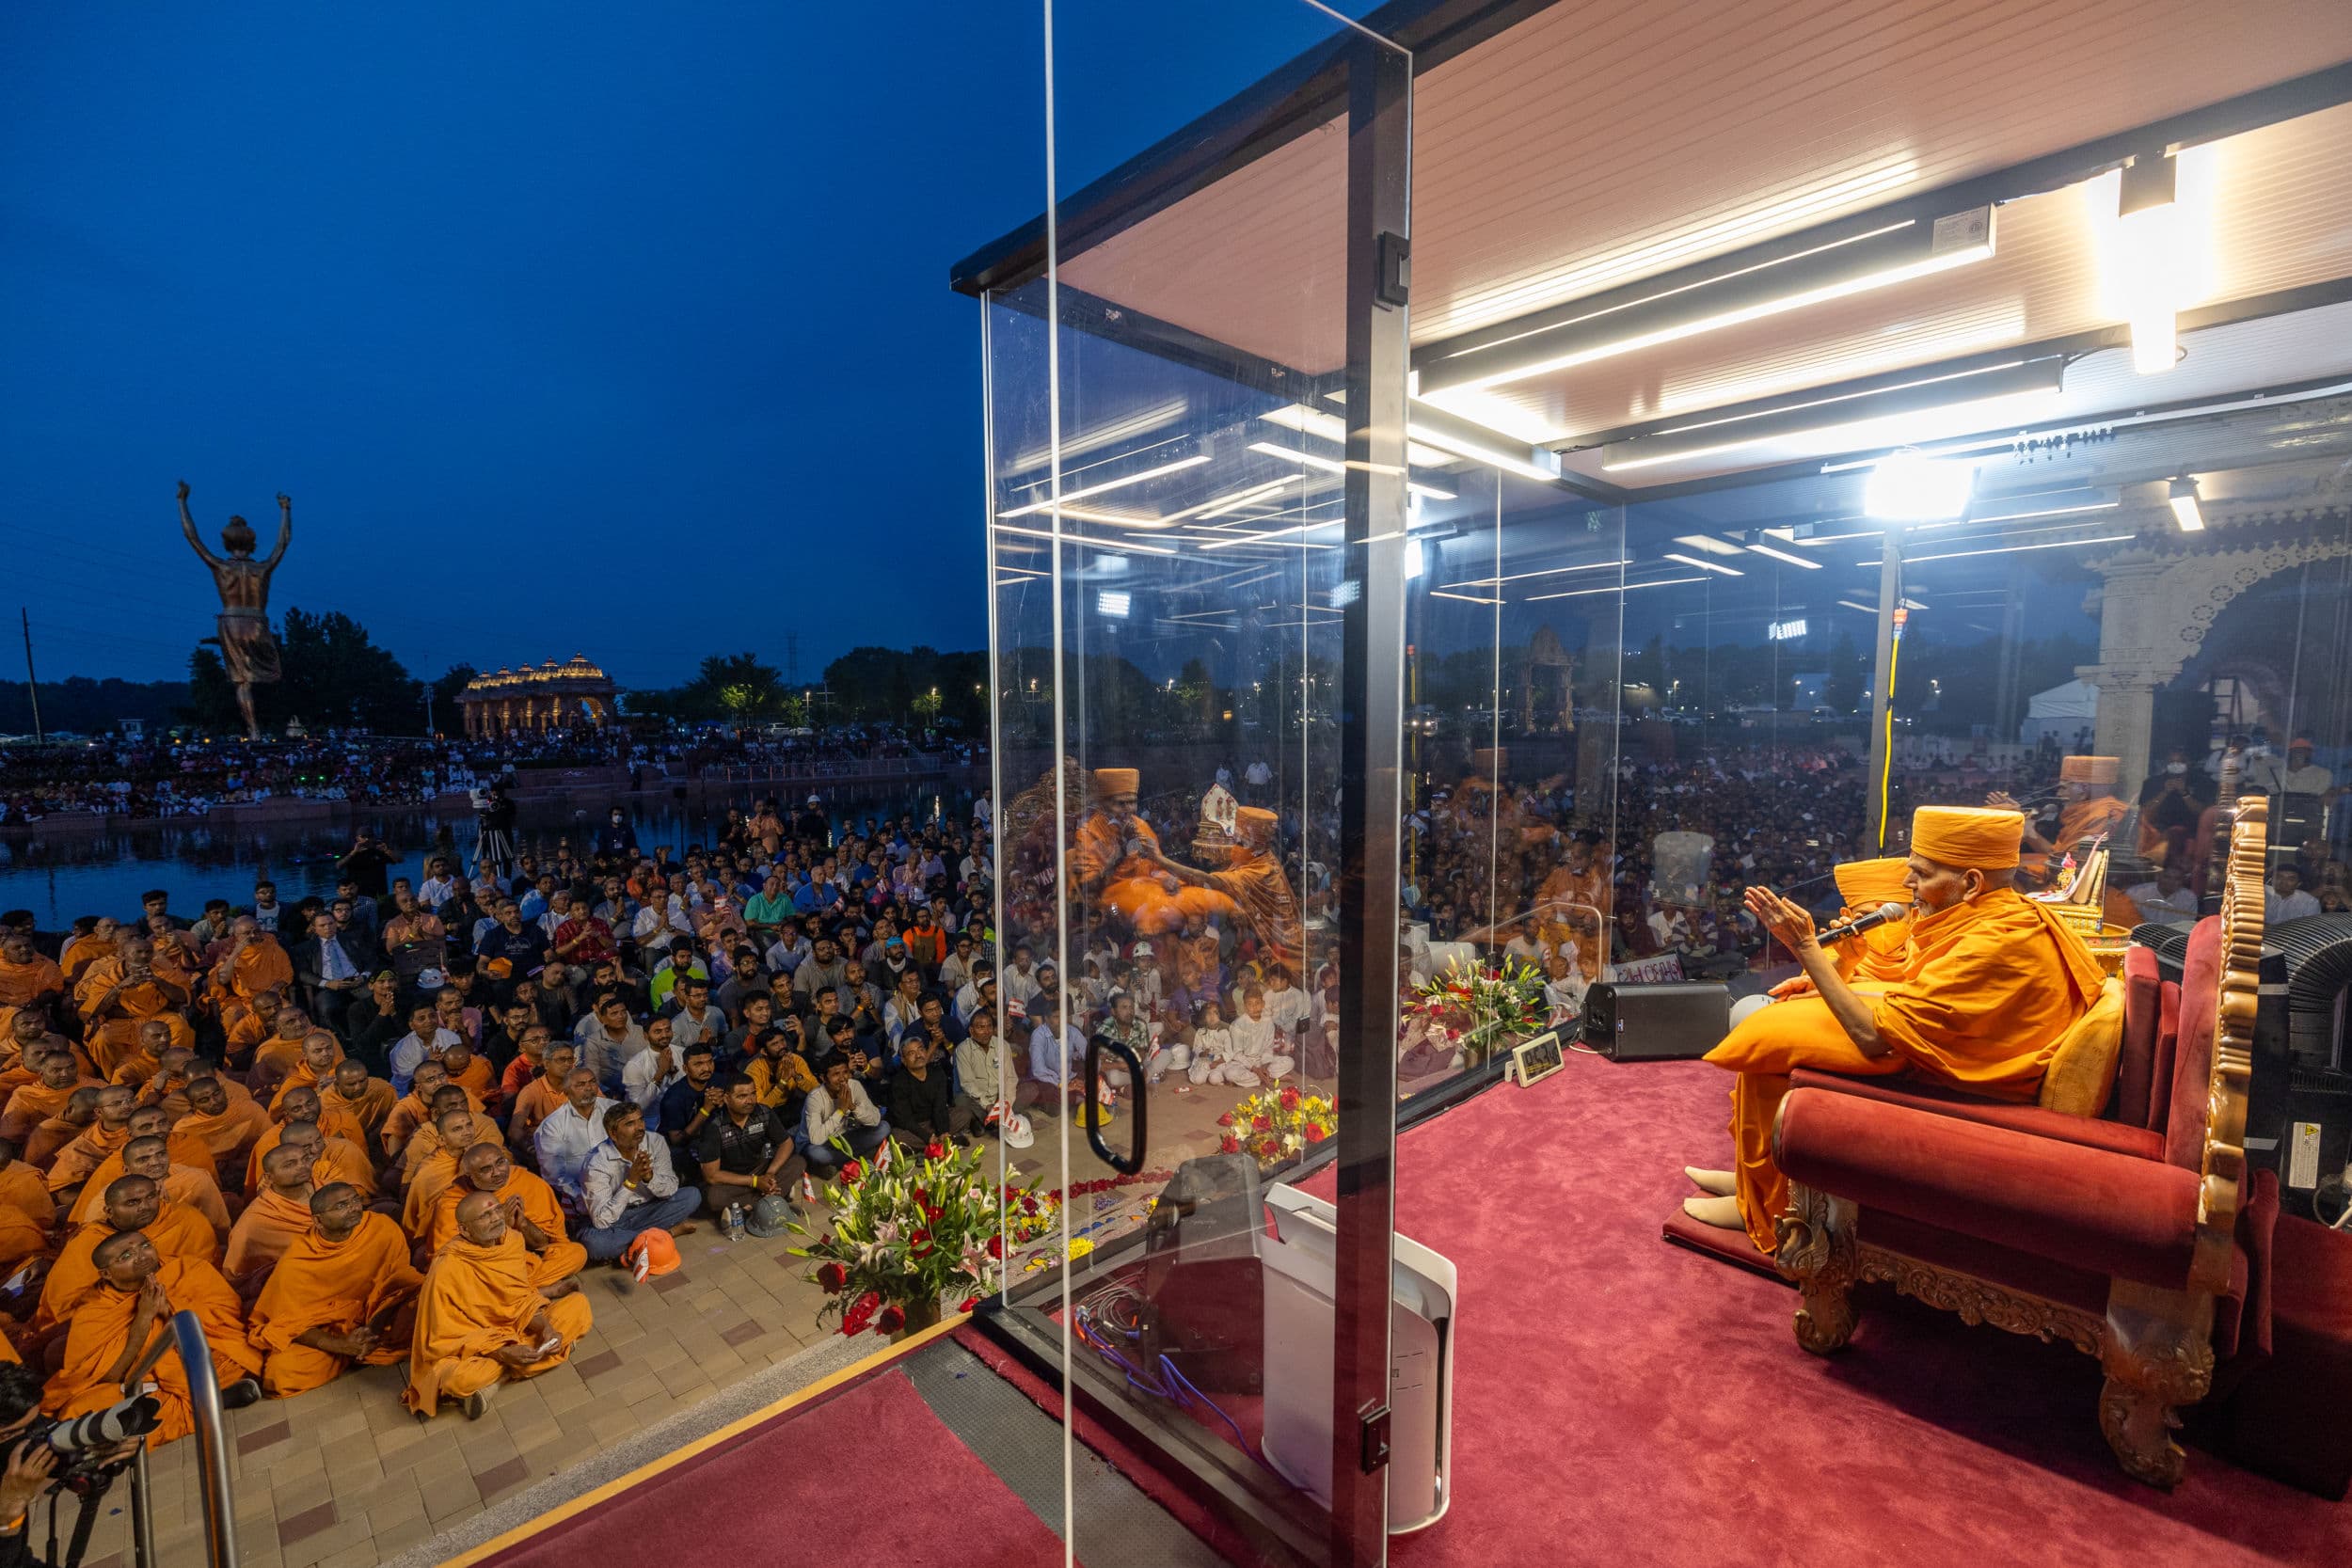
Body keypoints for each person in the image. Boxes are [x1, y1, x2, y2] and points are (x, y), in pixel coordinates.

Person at [1683, 807, 2104, 1256]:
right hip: (1950, 1048)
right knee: (1790, 1011)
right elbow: (1912, 983)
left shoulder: (2000, 942)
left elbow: (1874, 1038)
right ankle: (1757, 1179)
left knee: (1771, 1042)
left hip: (1970, 1081)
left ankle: (1765, 1212)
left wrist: (1807, 948)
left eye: (1921, 875)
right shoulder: (1994, 918)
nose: (1909, 887)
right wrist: (1836, 967)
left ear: (1972, 883)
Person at [49, 1228, 263, 1446]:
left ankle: (200, 1403)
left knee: (239, 1356)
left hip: (210, 1361)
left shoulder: (187, 1269)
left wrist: (170, 1310)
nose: (141, 1256)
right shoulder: (93, 1311)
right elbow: (107, 1377)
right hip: (149, 1384)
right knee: (77, 1410)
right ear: (106, 1274)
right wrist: (142, 1320)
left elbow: (231, 1319)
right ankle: (212, 1401)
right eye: (126, 1256)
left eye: (145, 1245)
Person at [403, 1189, 591, 1421]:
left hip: (513, 1330)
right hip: (477, 1344)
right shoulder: (447, 1266)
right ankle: (534, 1359)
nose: (495, 1219)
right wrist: (502, 1352)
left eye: (496, 1210)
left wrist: (546, 1329)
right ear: (464, 1230)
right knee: (458, 1378)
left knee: (578, 1306)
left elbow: (521, 1302)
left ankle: (498, 1380)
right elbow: (441, 1339)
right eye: (484, 1216)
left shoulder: (512, 1241)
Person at [246, 1180, 422, 1398]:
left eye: (355, 1200)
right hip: (329, 1331)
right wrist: (342, 1345)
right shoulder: (298, 1261)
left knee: (423, 1303)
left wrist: (373, 1327)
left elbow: (400, 1281)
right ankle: (352, 1354)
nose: (353, 1208)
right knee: (281, 1374)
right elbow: (287, 1323)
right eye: (340, 1206)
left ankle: (363, 1348)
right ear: (318, 1221)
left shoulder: (380, 1227)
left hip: (379, 1317)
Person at [427, 1142, 587, 1287]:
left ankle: (508, 1290)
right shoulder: (453, 1201)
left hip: (525, 1260)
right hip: (486, 1266)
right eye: (486, 1169)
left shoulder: (526, 1181)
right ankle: (518, 1289)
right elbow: (454, 1255)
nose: (497, 1173)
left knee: (576, 1253)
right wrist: (498, 1225)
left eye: (500, 1163)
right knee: (466, 1279)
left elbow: (543, 1243)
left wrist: (523, 1223)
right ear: (470, 1176)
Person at [579, 1103, 700, 1264]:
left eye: (641, 1120)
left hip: (650, 1209)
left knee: (692, 1196)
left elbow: (671, 1188)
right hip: (616, 1220)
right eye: (630, 1124)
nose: (640, 1127)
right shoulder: (596, 1163)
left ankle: (634, 1246)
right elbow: (601, 1220)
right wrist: (631, 1182)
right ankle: (667, 1234)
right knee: (595, 1244)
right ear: (613, 1134)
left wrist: (649, 1177)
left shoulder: (655, 1141)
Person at [693, 1073, 804, 1219]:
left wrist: (770, 1173)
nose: (750, 1100)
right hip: (733, 1179)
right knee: (713, 1197)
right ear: (727, 1099)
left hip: (761, 1168)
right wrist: (755, 1182)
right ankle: (775, 1197)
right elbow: (712, 1175)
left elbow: (786, 1143)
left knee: (798, 1162)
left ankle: (748, 1207)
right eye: (742, 1096)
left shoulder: (764, 1112)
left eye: (753, 1094)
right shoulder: (714, 1126)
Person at [223, 1144, 318, 1283]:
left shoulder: (328, 1189)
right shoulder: (255, 1221)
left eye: (305, 1159)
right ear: (269, 1177)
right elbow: (234, 1274)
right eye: (289, 1165)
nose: (302, 1166)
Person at [532, 1068, 618, 1209]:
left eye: (592, 1082)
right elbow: (555, 1175)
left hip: (624, 1187)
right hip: (583, 1198)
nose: (588, 1088)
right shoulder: (552, 1126)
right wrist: (582, 1197)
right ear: (566, 1092)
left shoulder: (615, 1111)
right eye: (580, 1085)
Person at [886, 1035, 979, 1150]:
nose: (918, 1055)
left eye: (921, 1049)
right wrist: (927, 1137)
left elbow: (940, 1107)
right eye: (911, 1053)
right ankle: (946, 1142)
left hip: (935, 1121)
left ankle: (940, 1141)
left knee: (964, 1113)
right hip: (914, 1127)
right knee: (897, 1137)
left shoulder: (937, 1072)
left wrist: (943, 1131)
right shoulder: (899, 1082)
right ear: (904, 1060)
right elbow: (905, 1120)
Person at [803, 1054, 887, 1172]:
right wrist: (841, 1111)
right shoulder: (815, 1098)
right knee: (817, 1154)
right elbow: (816, 1139)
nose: (843, 1079)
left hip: (844, 1137)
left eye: (845, 1072)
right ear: (823, 1078)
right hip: (820, 1143)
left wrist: (853, 1107)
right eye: (836, 1074)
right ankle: (858, 1158)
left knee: (883, 1128)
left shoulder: (854, 1085)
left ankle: (838, 1164)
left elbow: (875, 1119)